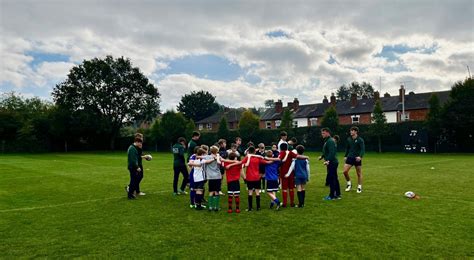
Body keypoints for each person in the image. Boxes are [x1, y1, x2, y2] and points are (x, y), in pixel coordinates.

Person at [241, 146, 273, 211]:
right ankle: (258, 207)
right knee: (257, 192)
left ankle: (250, 208)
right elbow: (266, 162)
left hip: (249, 177)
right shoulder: (257, 158)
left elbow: (241, 164)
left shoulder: (247, 157)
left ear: (248, 152)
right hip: (257, 177)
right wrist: (275, 160)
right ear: (255, 152)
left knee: (250, 192)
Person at [343, 126, 365, 193]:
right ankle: (349, 184)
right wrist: (345, 156)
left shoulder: (360, 140)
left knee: (359, 173)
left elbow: (362, 149)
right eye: (350, 131)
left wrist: (360, 157)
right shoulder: (349, 139)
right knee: (345, 172)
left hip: (357, 159)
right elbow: (347, 148)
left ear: (355, 132)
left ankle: (359, 187)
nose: (351, 132)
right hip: (350, 157)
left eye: (352, 131)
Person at [321, 128, 341, 200]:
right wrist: (322, 156)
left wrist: (328, 160)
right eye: (322, 133)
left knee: (332, 179)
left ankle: (332, 196)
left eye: (323, 133)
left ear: (327, 133)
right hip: (332, 162)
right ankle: (338, 194)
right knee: (335, 178)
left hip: (332, 162)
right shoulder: (328, 141)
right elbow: (326, 151)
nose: (322, 134)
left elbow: (332, 152)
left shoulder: (330, 141)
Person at [204, 146, 222, 211]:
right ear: (216, 151)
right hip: (217, 176)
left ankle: (210, 207)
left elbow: (202, 159)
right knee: (217, 191)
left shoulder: (207, 157)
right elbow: (220, 162)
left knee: (211, 191)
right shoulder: (218, 157)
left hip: (210, 177)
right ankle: (216, 207)